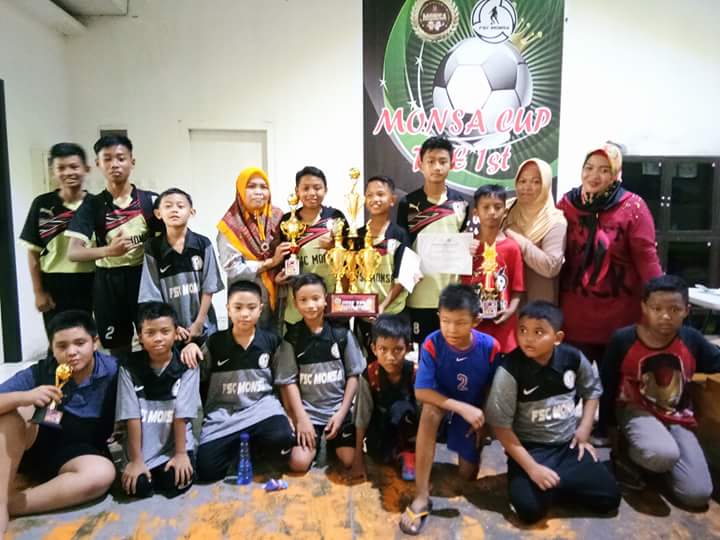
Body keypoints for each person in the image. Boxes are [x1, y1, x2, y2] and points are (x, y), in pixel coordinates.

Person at [486, 301, 621, 523]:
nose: (528, 338)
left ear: (557, 338)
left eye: (538, 332)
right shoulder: (509, 369)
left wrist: (584, 430)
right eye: (523, 330)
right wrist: (532, 469)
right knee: (529, 512)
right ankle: (544, 484)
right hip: (529, 449)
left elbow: (592, 391)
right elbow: (500, 427)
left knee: (610, 498)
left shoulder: (573, 357)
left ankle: (553, 486)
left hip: (567, 446)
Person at [599, 275, 720, 507]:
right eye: (657, 308)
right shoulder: (624, 339)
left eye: (675, 309)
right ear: (644, 307)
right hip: (636, 410)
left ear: (687, 310)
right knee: (661, 454)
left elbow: (715, 361)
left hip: (678, 415)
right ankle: (632, 456)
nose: (665, 316)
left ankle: (660, 464)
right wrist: (606, 429)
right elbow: (607, 384)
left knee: (697, 495)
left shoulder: (691, 339)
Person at [0, 311, 118, 534]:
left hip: (77, 454)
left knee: (102, 473)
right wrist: (25, 397)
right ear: (52, 348)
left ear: (95, 343)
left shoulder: (112, 371)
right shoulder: (41, 371)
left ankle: (12, 504)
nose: (71, 352)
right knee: (11, 413)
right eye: (62, 346)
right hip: (32, 443)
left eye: (80, 343)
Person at [399, 284, 500, 535]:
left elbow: (492, 389)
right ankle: (421, 496)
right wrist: (460, 408)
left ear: (476, 321)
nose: (452, 329)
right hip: (443, 403)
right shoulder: (432, 343)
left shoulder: (490, 347)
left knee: (467, 475)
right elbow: (422, 392)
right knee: (429, 412)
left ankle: (463, 442)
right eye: (445, 321)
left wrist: (485, 422)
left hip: (473, 409)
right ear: (438, 317)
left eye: (460, 322)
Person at [181, 280, 296, 481]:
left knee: (283, 439)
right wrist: (190, 346)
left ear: (260, 309)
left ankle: (251, 447)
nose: (244, 314)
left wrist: (290, 416)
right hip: (223, 416)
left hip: (262, 409)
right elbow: (200, 380)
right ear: (228, 309)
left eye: (251, 308)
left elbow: (284, 382)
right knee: (207, 472)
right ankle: (237, 445)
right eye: (238, 307)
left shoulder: (271, 341)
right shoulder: (214, 343)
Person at [557, 142, 662, 364]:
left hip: (621, 319)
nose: (594, 175)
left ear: (615, 174)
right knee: (574, 380)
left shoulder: (633, 207)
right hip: (575, 317)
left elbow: (648, 261)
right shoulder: (567, 204)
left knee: (615, 382)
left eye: (604, 170)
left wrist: (661, 302)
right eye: (589, 168)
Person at [67, 135, 161, 355]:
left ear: (132, 162)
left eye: (121, 158)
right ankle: (122, 377)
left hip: (145, 278)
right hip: (108, 282)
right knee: (118, 347)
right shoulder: (91, 205)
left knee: (153, 341)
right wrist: (110, 251)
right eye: (107, 159)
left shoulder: (150, 201)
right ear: (98, 164)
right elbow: (74, 252)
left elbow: (168, 239)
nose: (114, 164)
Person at [279, 273, 366, 472]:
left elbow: (354, 375)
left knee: (349, 460)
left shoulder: (341, 334)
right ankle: (315, 440)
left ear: (325, 299)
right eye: (303, 300)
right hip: (309, 413)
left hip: (338, 411)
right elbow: (288, 381)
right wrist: (300, 418)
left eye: (316, 298)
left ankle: (335, 442)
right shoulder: (292, 337)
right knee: (298, 463)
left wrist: (342, 413)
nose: (310, 305)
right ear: (295, 303)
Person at [116, 302, 200, 498]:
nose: (158, 338)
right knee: (138, 488)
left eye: (165, 331)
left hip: (175, 444)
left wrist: (180, 454)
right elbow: (132, 416)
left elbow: (182, 414)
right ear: (140, 337)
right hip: (144, 445)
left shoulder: (187, 364)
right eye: (150, 333)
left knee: (175, 482)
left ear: (176, 333)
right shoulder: (129, 367)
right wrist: (136, 460)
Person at [397, 136, 469, 344]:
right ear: (420, 164)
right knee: (423, 352)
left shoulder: (461, 203)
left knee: (452, 351)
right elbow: (403, 247)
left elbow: (464, 248)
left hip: (451, 296)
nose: (437, 167)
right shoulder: (408, 203)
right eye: (431, 161)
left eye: (442, 161)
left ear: (452, 164)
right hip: (420, 295)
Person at [20, 142, 96, 334]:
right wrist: (38, 292)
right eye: (61, 168)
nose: (68, 172)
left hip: (92, 280)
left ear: (86, 169)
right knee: (58, 338)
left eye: (74, 166)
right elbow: (33, 252)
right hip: (54, 283)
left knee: (88, 337)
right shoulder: (42, 204)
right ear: (53, 172)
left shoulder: (96, 204)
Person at [139, 188, 224, 343]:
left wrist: (199, 323)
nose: (174, 210)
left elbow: (209, 288)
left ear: (192, 212)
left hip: (203, 326)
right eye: (168, 206)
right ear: (158, 213)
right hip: (169, 330)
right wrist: (172, 325)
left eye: (180, 206)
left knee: (206, 357)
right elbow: (152, 294)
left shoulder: (203, 244)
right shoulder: (153, 248)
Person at [216, 167, 289, 330]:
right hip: (246, 298)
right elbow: (233, 269)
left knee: (277, 337)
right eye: (251, 186)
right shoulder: (230, 225)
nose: (258, 192)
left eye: (264, 187)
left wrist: (281, 271)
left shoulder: (279, 217)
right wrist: (270, 262)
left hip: (279, 291)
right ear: (240, 190)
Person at [351, 314, 418, 481]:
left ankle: (410, 453)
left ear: (408, 348)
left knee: (401, 410)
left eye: (397, 349)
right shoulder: (369, 374)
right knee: (378, 455)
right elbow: (362, 416)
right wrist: (358, 458)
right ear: (374, 349)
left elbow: (425, 415)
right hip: (383, 425)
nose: (390, 357)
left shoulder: (415, 373)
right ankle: (397, 454)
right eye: (383, 349)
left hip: (409, 426)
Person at [277, 166, 346, 326]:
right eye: (306, 188)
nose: (312, 193)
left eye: (317, 188)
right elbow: (282, 259)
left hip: (329, 298)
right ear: (297, 191)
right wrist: (279, 275)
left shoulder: (336, 217)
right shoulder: (287, 221)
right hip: (298, 301)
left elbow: (350, 257)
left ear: (325, 189)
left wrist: (334, 248)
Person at [461, 184, 524, 354]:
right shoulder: (467, 247)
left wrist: (510, 311)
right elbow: (458, 284)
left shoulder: (512, 248)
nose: (492, 212)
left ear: (505, 211)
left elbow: (518, 290)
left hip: (503, 330)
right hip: (473, 328)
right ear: (475, 212)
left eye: (497, 207)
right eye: (486, 207)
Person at [354, 175, 413, 353]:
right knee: (367, 361)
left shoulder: (400, 235)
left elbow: (403, 277)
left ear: (392, 200)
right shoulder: (356, 235)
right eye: (370, 195)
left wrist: (382, 306)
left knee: (393, 360)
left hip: (392, 313)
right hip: (363, 315)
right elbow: (349, 273)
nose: (375, 199)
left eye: (380, 194)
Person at [503, 158, 567, 304]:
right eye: (522, 181)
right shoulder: (506, 210)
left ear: (546, 185)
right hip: (507, 299)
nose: (527, 187)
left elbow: (551, 267)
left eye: (536, 182)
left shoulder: (554, 221)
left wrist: (517, 237)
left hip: (538, 301)